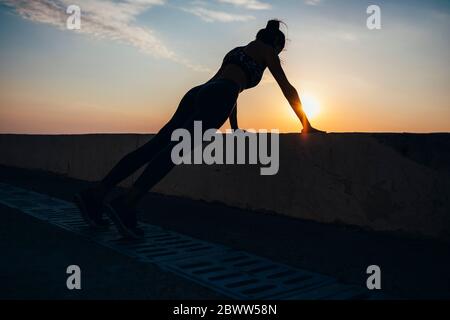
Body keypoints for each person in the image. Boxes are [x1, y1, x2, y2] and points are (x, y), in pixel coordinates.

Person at [74, 20, 324, 239]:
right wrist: (306, 124)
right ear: (276, 44)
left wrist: (235, 127)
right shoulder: (269, 52)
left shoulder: (237, 50)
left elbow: (227, 85)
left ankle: (96, 194)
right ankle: (127, 203)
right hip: (220, 95)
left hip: (198, 92)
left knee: (154, 147)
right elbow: (285, 88)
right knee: (176, 151)